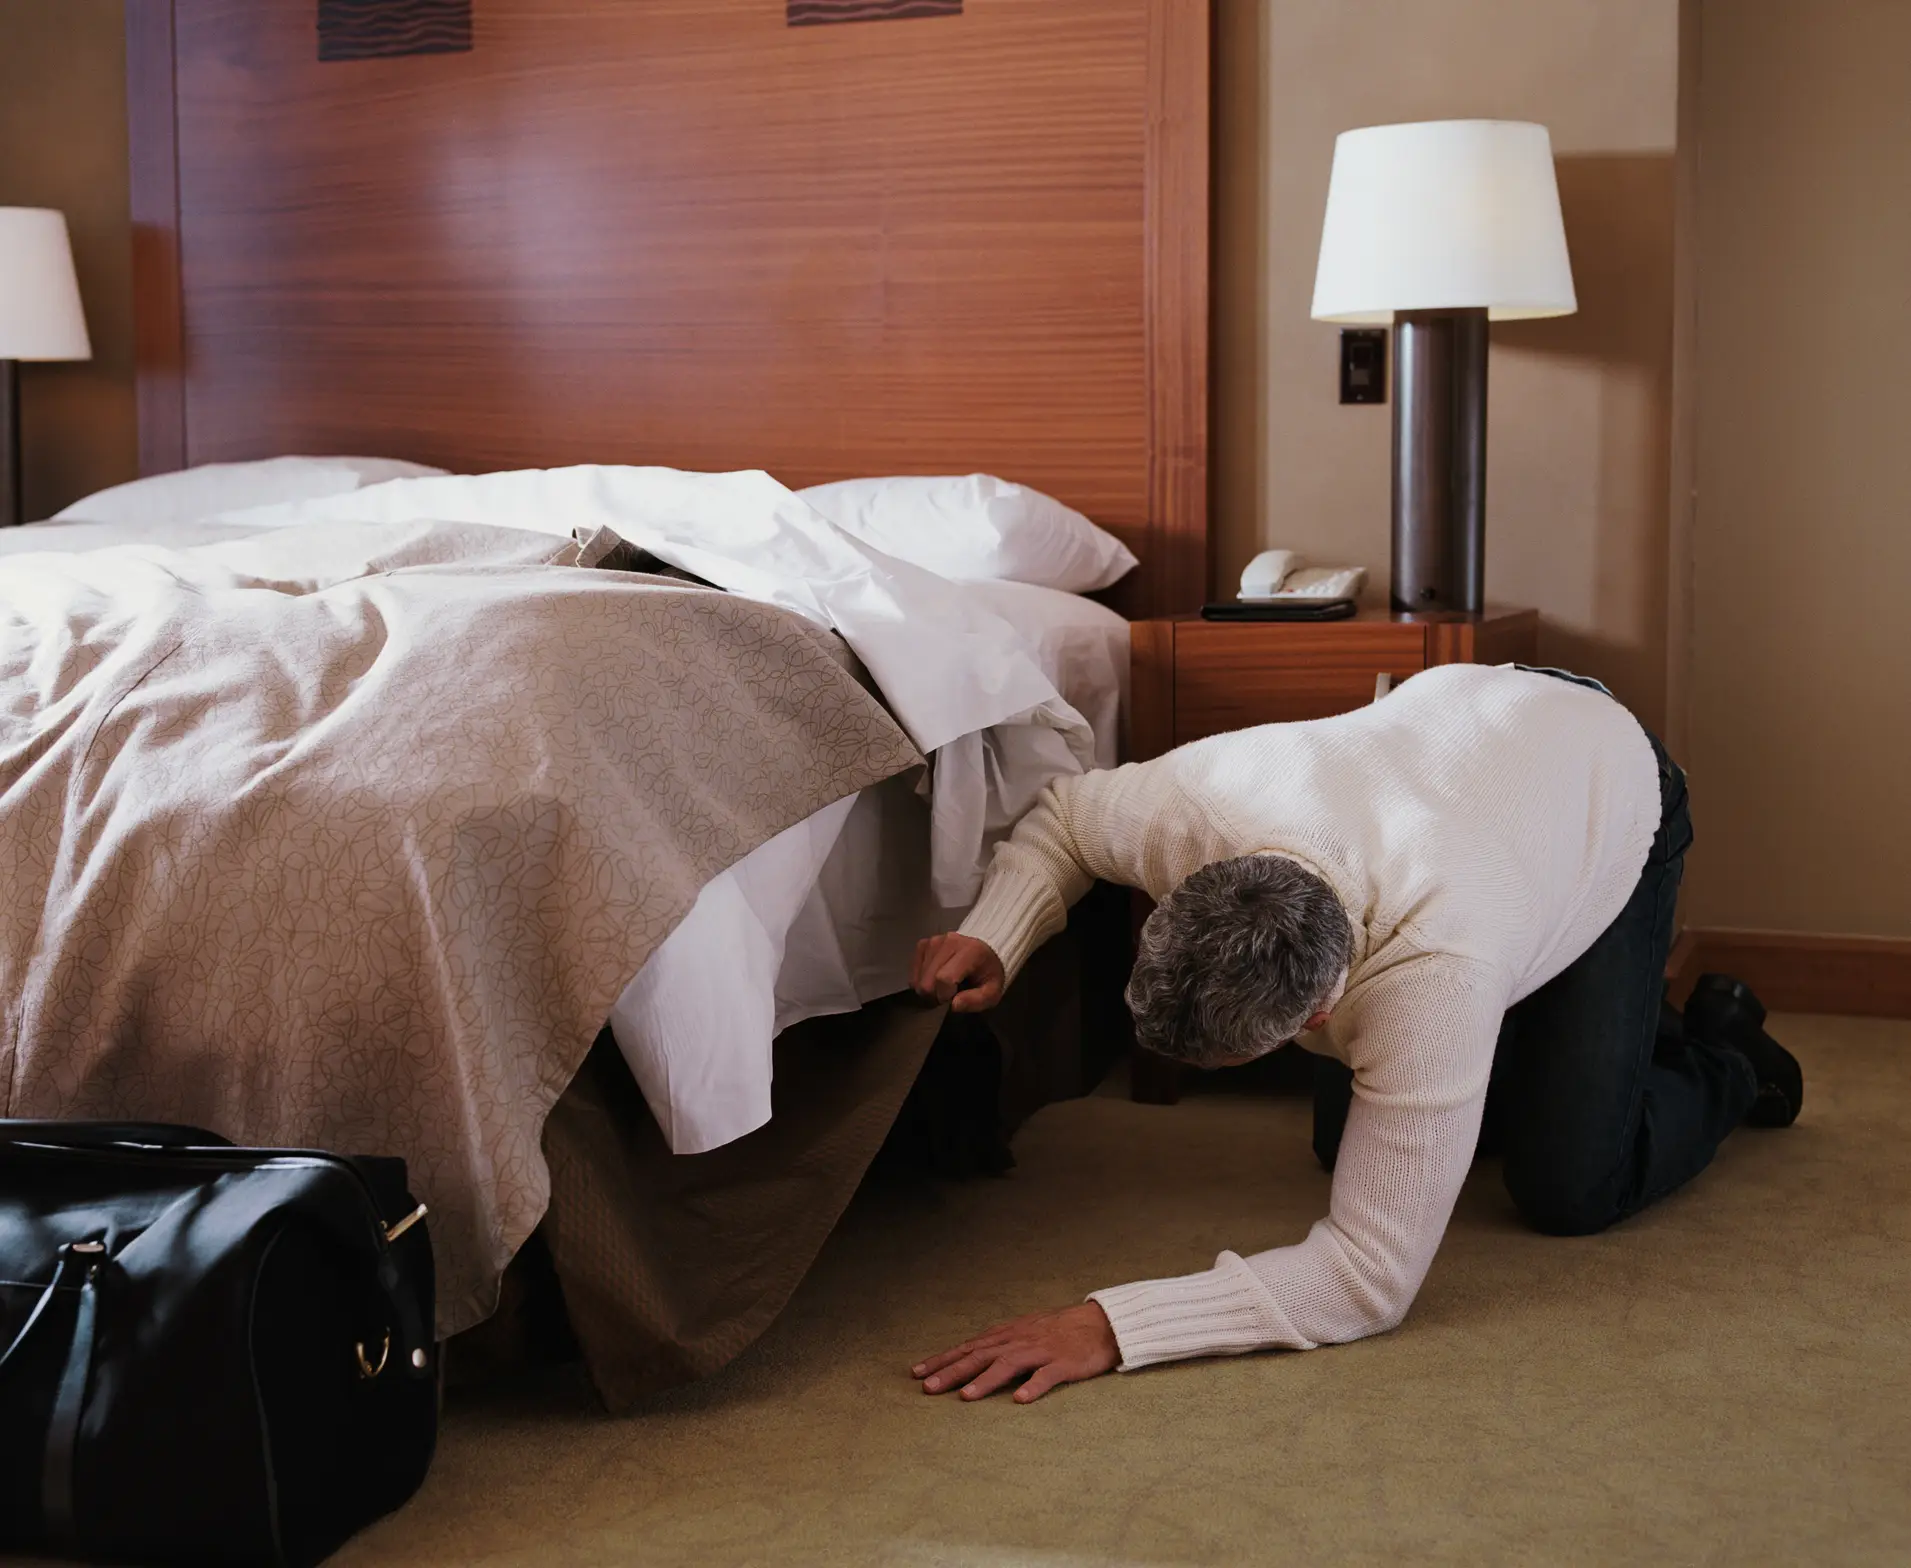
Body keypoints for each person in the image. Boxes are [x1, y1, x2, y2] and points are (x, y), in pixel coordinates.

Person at [907, 663, 1803, 1406]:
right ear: (1185, 888)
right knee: (1354, 1147)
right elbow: (1064, 816)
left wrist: (1110, 1325)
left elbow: (1368, 1279)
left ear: (1319, 1016)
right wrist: (997, 928)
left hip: (1604, 781)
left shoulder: (1435, 971)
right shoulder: (1196, 804)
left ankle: (1722, 1051)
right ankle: (1594, 1036)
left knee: (1568, 1187)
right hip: (1464, 747)